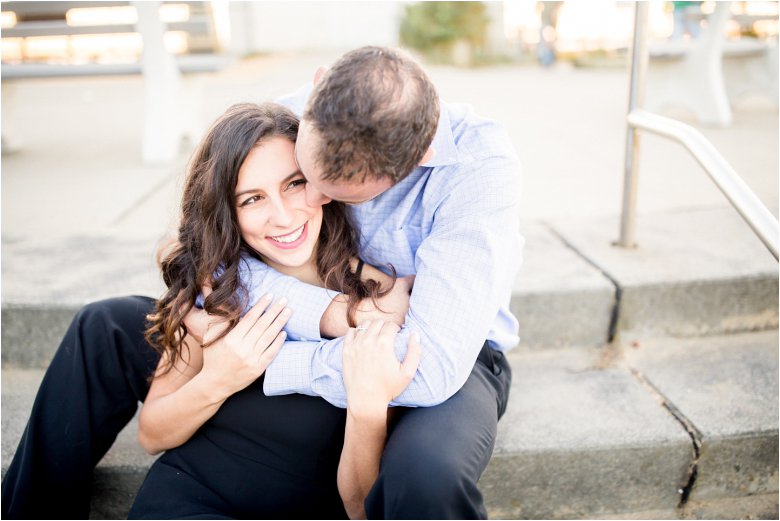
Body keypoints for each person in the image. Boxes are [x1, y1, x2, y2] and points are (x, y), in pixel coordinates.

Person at [2, 45, 522, 519]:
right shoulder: (294, 113)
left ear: (416, 160)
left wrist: (258, 360)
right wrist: (332, 315)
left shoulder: (475, 170)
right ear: (316, 86)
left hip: (437, 351)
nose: (307, 205)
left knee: (425, 474)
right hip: (311, 319)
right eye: (302, 175)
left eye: (323, 191)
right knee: (106, 326)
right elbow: (217, 258)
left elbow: (425, 366)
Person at [124, 101, 419, 519]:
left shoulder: (380, 303)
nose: (282, 217)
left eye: (294, 184)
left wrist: (367, 408)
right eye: (252, 199)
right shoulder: (220, 288)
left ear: (321, 182)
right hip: (185, 498)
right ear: (227, 213)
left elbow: (362, 507)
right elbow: (152, 433)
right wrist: (218, 379)